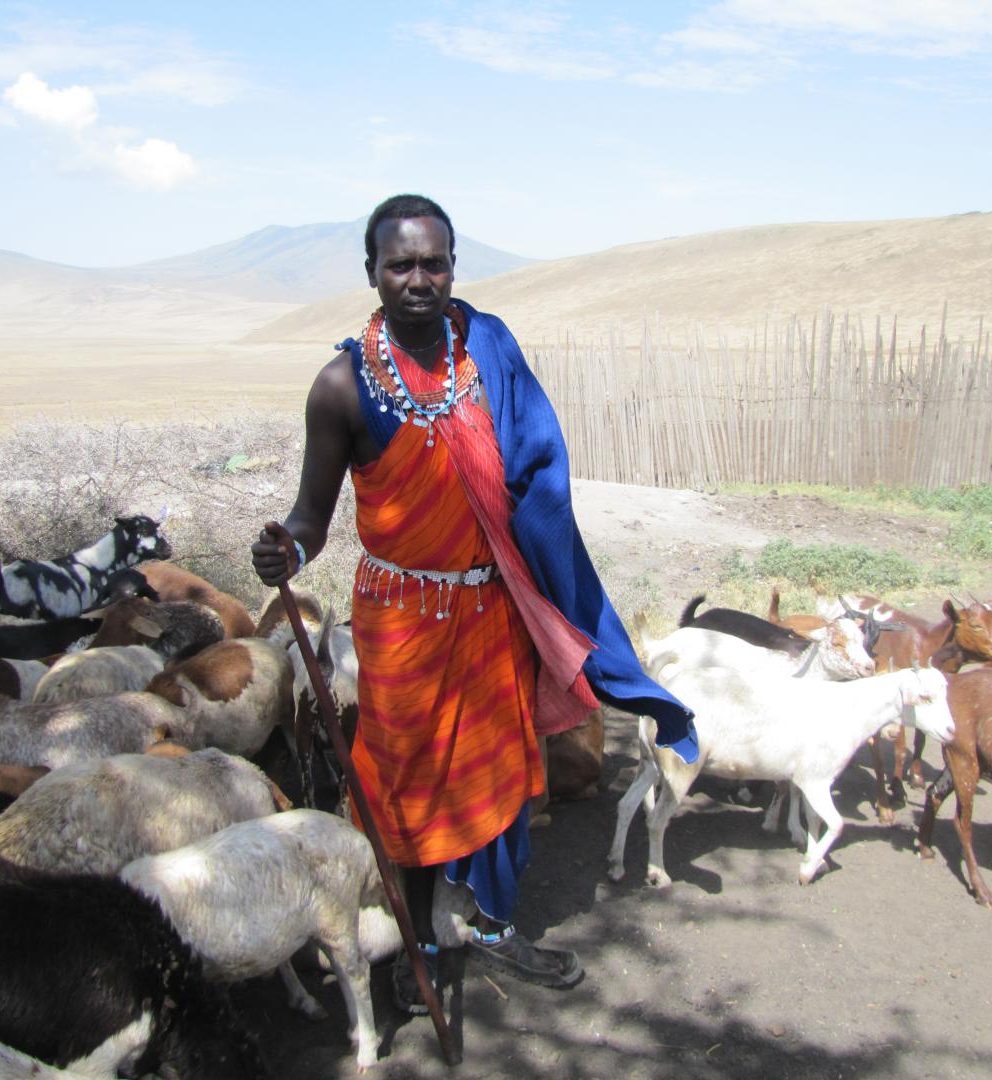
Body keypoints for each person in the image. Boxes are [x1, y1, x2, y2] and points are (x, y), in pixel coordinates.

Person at [252, 194, 697, 1014]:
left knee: (499, 777)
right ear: (373, 274)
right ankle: (417, 939)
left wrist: (553, 578)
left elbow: (538, 477)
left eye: (435, 262)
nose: (419, 279)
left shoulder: (489, 350)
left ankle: (493, 927)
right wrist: (287, 546)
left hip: (492, 607)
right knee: (410, 783)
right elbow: (311, 517)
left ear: (454, 266)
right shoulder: (341, 387)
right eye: (401, 265)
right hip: (401, 626)